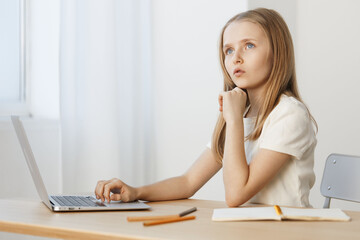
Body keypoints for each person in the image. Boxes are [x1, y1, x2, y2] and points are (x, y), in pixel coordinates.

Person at [94, 8, 317, 208]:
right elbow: (188, 182)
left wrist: (234, 120)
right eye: (229, 50)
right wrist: (136, 192)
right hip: (250, 229)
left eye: (249, 46)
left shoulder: (289, 114)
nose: (236, 58)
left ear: (278, 54)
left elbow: (236, 194)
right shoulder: (241, 113)